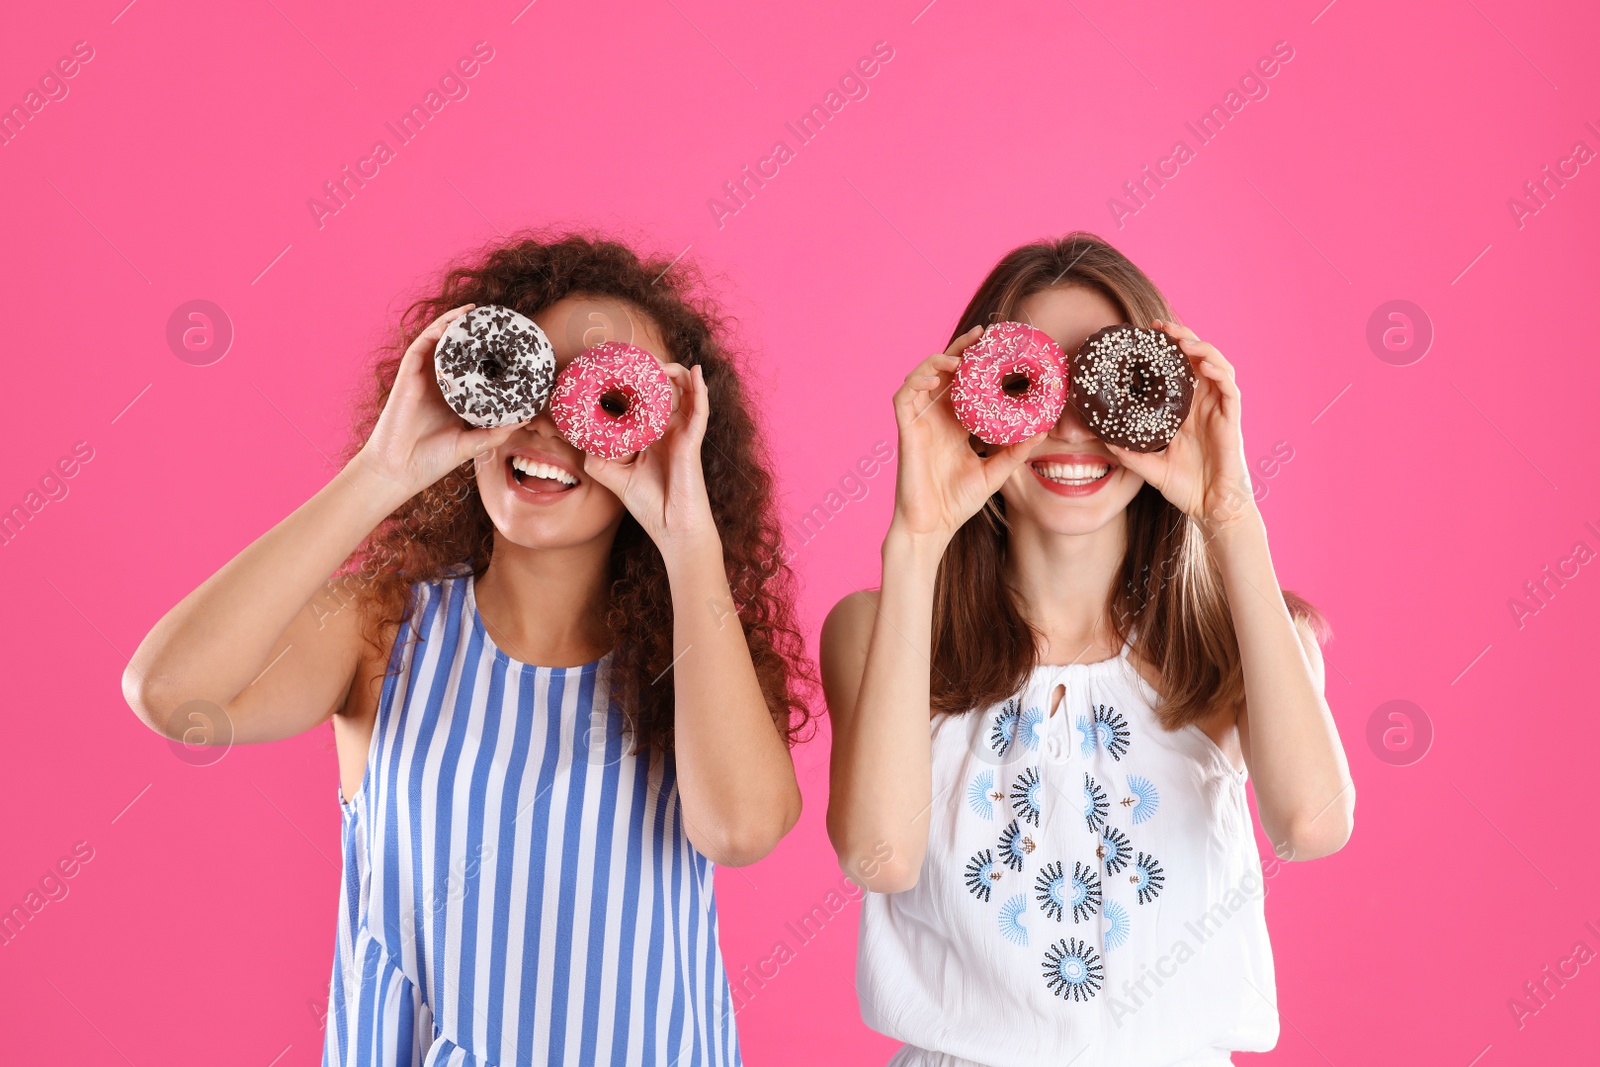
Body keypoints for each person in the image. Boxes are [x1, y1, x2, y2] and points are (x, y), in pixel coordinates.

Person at [124, 234, 813, 1066]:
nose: (553, 426)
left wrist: (687, 532)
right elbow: (171, 691)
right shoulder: (384, 629)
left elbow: (740, 829)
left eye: (605, 400)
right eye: (524, 376)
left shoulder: (691, 658)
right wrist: (382, 470)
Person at [822, 233, 1354, 1067]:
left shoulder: (1243, 642)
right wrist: (918, 537)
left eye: (1113, 384)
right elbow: (879, 856)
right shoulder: (881, 629)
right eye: (1028, 385)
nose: (1071, 425)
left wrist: (1230, 513)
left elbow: (1313, 824)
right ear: (974, 404)